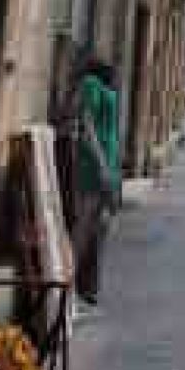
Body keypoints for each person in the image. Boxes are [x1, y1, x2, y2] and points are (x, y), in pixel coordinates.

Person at [74, 58, 120, 307]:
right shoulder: (91, 83)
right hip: (95, 164)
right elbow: (87, 123)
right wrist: (101, 163)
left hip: (107, 164)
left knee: (101, 226)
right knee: (84, 226)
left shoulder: (102, 85)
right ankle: (68, 288)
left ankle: (89, 286)